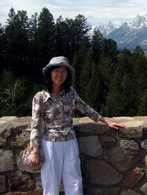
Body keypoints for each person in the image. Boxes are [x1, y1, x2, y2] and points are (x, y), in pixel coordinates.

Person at [29, 56, 125, 195]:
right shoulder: (40, 97)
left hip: (70, 142)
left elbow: (85, 108)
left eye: (63, 71)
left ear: (67, 75)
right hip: (50, 144)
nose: (60, 74)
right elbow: (35, 124)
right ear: (50, 73)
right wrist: (35, 150)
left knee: (74, 181)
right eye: (57, 70)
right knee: (51, 183)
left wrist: (106, 121)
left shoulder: (70, 93)